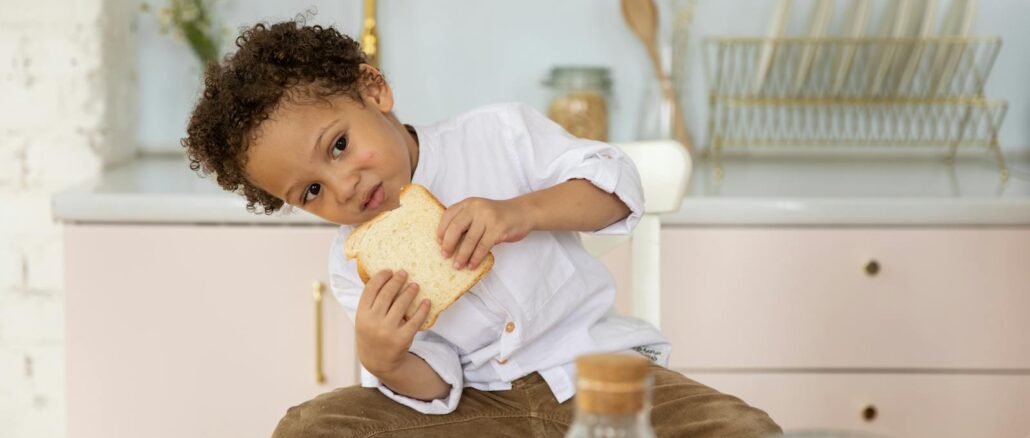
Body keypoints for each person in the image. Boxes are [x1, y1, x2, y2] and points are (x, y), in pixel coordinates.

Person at [182, 20, 782, 438]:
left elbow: (616, 185)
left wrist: (521, 211)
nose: (341, 188)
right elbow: (435, 382)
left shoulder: (497, 135)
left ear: (375, 90)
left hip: (597, 375)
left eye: (339, 145)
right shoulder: (354, 267)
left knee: (744, 431)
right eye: (310, 192)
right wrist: (385, 358)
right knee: (313, 428)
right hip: (477, 413)